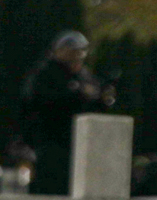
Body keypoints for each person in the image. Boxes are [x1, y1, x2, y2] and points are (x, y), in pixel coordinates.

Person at [18, 32, 111, 186]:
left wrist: (102, 99)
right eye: (71, 52)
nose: (77, 57)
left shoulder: (84, 75)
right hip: (50, 139)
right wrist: (76, 94)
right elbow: (39, 101)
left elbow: (93, 100)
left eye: (80, 52)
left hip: (79, 140)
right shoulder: (46, 73)